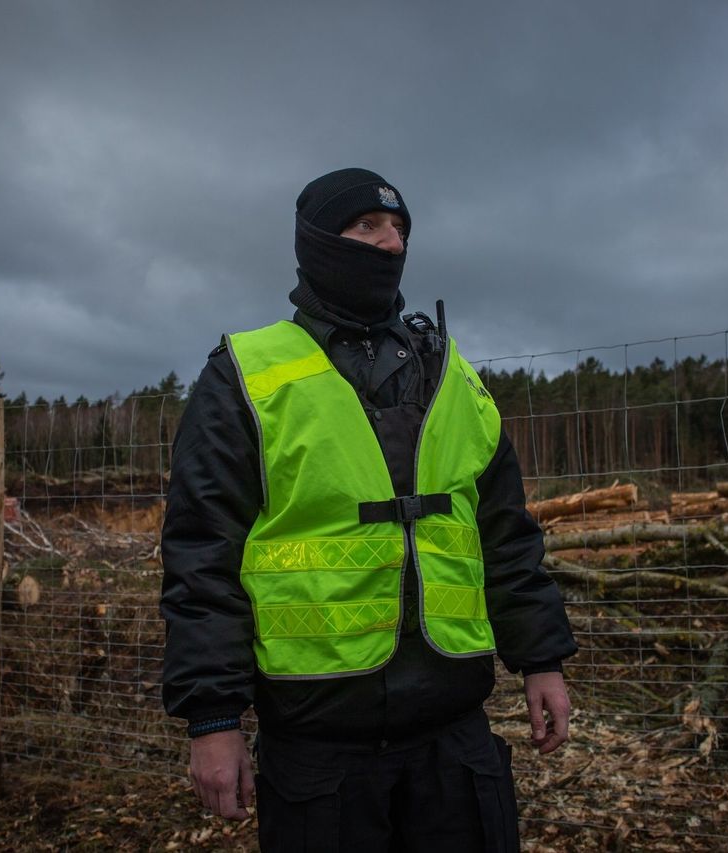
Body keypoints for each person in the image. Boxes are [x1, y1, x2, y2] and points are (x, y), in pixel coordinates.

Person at [160, 167, 576, 852]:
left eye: (400, 229)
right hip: (319, 752)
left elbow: (506, 533)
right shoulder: (245, 375)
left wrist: (544, 659)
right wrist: (213, 718)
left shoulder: (453, 375)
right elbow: (201, 552)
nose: (389, 243)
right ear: (319, 240)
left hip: (455, 742)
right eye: (368, 227)